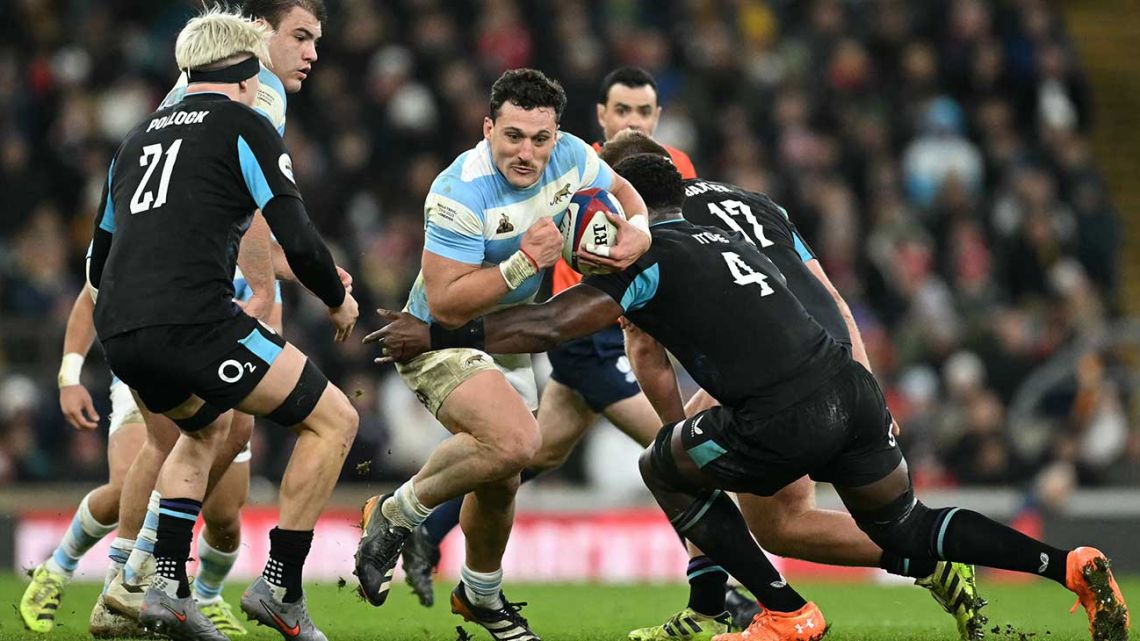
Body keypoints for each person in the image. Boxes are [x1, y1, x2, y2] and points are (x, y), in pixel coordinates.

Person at [368, 153, 1129, 641]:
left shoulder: (645, 260)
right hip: (849, 386)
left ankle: (783, 610)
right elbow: (819, 289)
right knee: (907, 524)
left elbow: (550, 324)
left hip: (782, 413)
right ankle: (1066, 564)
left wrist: (434, 333)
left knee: (664, 465)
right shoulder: (726, 233)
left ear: (626, 210)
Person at [600, 131, 984, 641]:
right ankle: (711, 604)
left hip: (774, 368)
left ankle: (923, 562)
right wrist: (867, 382)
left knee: (737, 497)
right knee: (781, 520)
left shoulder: (650, 227)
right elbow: (832, 297)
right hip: (827, 354)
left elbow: (646, 346)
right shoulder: (757, 202)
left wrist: (678, 441)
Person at [86, 8, 358, 641]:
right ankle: (281, 588)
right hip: (193, 322)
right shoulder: (247, 122)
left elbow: (98, 261)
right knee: (335, 419)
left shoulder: (135, 139)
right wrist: (335, 300)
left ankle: (164, 589)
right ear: (246, 70)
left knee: (204, 430)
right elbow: (299, 236)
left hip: (120, 331)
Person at [353, 67, 650, 641]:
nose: (527, 152)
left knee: (503, 478)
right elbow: (446, 302)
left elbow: (625, 192)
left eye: (540, 139)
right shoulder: (459, 191)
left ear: (557, 135)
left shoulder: (572, 156)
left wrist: (637, 229)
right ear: (488, 128)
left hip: (505, 337)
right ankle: (395, 513)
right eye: (512, 136)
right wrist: (524, 263)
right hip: (436, 337)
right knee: (517, 442)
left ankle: (480, 596)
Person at [399, 65, 696, 611]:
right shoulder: (578, 163)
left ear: (659, 116)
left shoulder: (669, 169)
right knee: (675, 450)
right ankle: (721, 586)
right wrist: (529, 265)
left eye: (643, 111)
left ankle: (429, 531)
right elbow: (461, 299)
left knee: (532, 453)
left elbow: (660, 241)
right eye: (622, 110)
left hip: (612, 329)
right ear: (602, 116)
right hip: (574, 331)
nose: (633, 120)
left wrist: (640, 237)